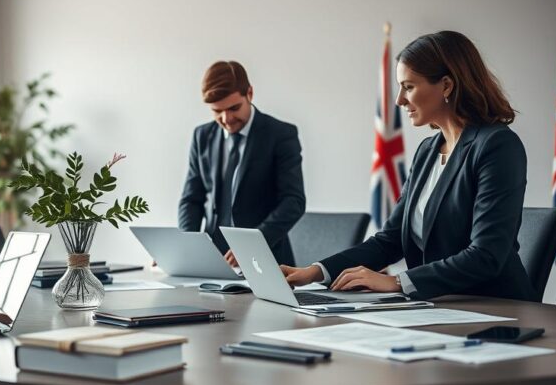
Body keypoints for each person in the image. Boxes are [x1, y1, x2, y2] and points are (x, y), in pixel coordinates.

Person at [282, 30, 535, 302]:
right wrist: (315, 272)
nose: (399, 100)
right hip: (438, 307)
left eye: (409, 86)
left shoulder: (497, 146)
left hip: (496, 309)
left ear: (447, 86)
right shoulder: (428, 150)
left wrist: (397, 282)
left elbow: (486, 254)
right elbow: (390, 241)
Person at [178, 60, 306, 267]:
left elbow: (293, 201)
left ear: (250, 94)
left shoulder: (281, 134)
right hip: (213, 262)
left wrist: (252, 245)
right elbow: (191, 200)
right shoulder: (202, 136)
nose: (226, 119)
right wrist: (187, 246)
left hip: (266, 260)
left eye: (234, 108)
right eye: (217, 111)